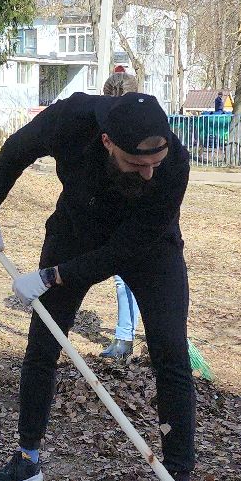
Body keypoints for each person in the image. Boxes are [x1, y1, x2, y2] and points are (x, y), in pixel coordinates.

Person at [0, 92, 203, 481]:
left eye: (156, 163)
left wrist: (51, 276)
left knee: (171, 352)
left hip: (148, 248)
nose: (149, 174)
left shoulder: (174, 165)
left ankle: (179, 480)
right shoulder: (70, 120)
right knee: (42, 347)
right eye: (137, 164)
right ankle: (27, 459)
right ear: (109, 142)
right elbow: (18, 149)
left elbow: (125, 250)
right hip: (75, 229)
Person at [97, 69, 143, 360]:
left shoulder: (143, 128)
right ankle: (124, 336)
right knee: (122, 278)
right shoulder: (106, 128)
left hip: (139, 214)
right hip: (116, 211)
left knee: (126, 279)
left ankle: (125, 337)